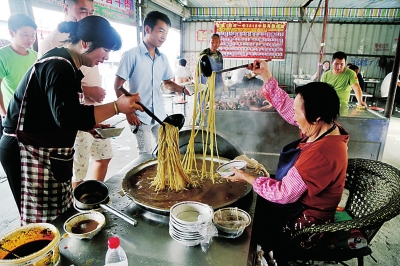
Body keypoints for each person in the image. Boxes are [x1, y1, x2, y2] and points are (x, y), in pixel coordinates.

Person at [0, 15, 143, 225]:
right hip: (26, 150)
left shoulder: (68, 65)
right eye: (105, 50)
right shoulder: (58, 65)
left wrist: (89, 126)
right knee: (43, 222)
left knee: (57, 214)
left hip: (45, 149)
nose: (105, 57)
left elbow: (62, 111)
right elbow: (66, 117)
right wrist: (116, 107)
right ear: (84, 43)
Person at [227, 59, 349, 265]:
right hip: (299, 200)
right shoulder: (324, 126)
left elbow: (284, 193)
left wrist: (246, 176)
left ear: (316, 116)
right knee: (260, 204)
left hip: (308, 223)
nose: (295, 117)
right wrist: (265, 74)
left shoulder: (323, 152)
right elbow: (287, 107)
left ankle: (265, 257)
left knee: (257, 222)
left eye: (299, 112)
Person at [38, 0, 113, 188]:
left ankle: (91, 195)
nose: (87, 15)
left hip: (88, 112)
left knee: (103, 155)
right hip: (71, 113)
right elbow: (55, 90)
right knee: (77, 167)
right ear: (66, 8)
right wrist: (116, 106)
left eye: (91, 11)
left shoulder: (84, 48)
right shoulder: (57, 52)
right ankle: (79, 202)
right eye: (82, 10)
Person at [114, 11, 189, 155]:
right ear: (147, 29)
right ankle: (149, 177)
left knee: (166, 150)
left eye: (166, 33)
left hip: (159, 114)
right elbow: (118, 85)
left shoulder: (163, 58)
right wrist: (128, 113)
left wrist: (182, 88)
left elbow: (167, 83)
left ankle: (163, 177)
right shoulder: (131, 55)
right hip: (139, 115)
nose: (164, 37)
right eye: (161, 31)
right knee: (146, 154)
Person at [0, 14, 37, 139]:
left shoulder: (37, 56)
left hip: (33, 112)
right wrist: (4, 113)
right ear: (12, 32)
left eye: (33, 34)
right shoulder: (2, 55)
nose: (30, 39)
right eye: (25, 34)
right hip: (12, 114)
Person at [199, 34, 224, 100]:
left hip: (217, 83)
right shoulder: (203, 54)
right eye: (212, 42)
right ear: (209, 41)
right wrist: (196, 84)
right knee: (205, 103)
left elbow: (220, 71)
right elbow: (197, 69)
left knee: (216, 103)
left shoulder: (219, 55)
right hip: (206, 82)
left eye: (216, 42)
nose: (214, 44)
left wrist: (223, 84)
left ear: (219, 43)